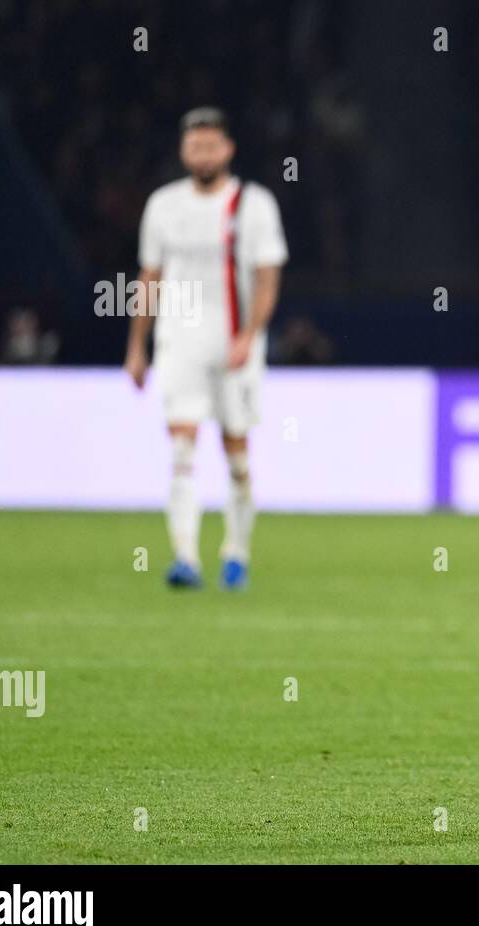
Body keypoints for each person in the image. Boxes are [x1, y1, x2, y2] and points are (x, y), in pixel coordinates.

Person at [124, 107, 289, 591]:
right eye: (195, 146)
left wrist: (249, 335)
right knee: (181, 448)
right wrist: (138, 345)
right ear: (183, 151)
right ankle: (185, 557)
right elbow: (148, 278)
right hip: (180, 341)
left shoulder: (253, 204)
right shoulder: (163, 206)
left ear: (229, 149)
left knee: (236, 454)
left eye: (211, 145)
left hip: (235, 344)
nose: (203, 153)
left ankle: (236, 552)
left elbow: (267, 278)